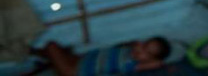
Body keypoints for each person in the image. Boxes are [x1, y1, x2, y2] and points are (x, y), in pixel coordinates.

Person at [30, 37, 170, 76]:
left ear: (151, 61)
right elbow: (134, 42)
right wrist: (137, 44)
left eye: (147, 53)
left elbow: (158, 64)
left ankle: (33, 52)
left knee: (51, 46)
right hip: (78, 59)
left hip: (74, 72)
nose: (141, 51)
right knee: (59, 49)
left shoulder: (133, 65)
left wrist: (155, 62)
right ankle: (37, 55)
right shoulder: (127, 48)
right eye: (144, 45)